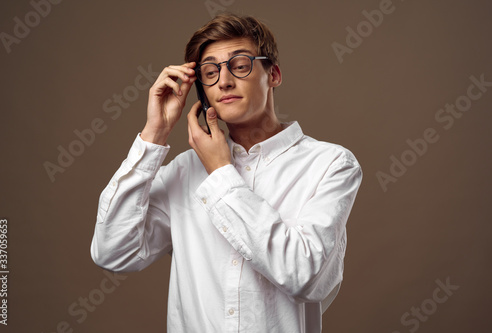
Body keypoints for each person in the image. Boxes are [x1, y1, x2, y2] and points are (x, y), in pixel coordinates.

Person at [90, 13, 362, 333]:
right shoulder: (183, 171)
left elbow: (304, 276)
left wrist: (221, 172)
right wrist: (155, 133)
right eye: (210, 71)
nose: (224, 81)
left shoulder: (331, 164)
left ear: (273, 74)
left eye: (241, 64)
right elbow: (112, 252)